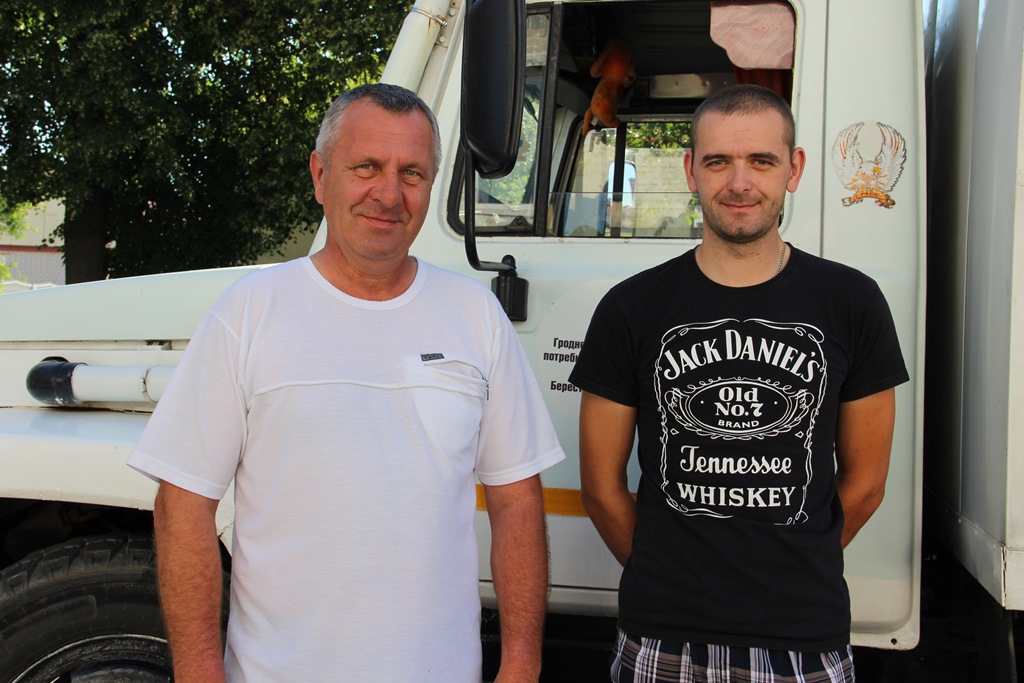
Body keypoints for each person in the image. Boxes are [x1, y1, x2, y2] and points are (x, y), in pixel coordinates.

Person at [128, 83, 565, 683]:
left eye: (412, 173)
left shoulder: (476, 317)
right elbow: (182, 504)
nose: (389, 194)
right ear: (319, 174)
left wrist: (521, 665)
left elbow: (517, 502)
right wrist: (200, 673)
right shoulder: (250, 312)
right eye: (367, 167)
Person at [568, 84, 909, 682]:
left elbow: (867, 484)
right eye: (718, 161)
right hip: (662, 637)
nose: (739, 182)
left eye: (762, 161)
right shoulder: (632, 307)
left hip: (802, 639)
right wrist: (668, 577)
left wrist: (793, 568)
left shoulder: (853, 302)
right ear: (690, 172)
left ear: (794, 170)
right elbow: (600, 488)